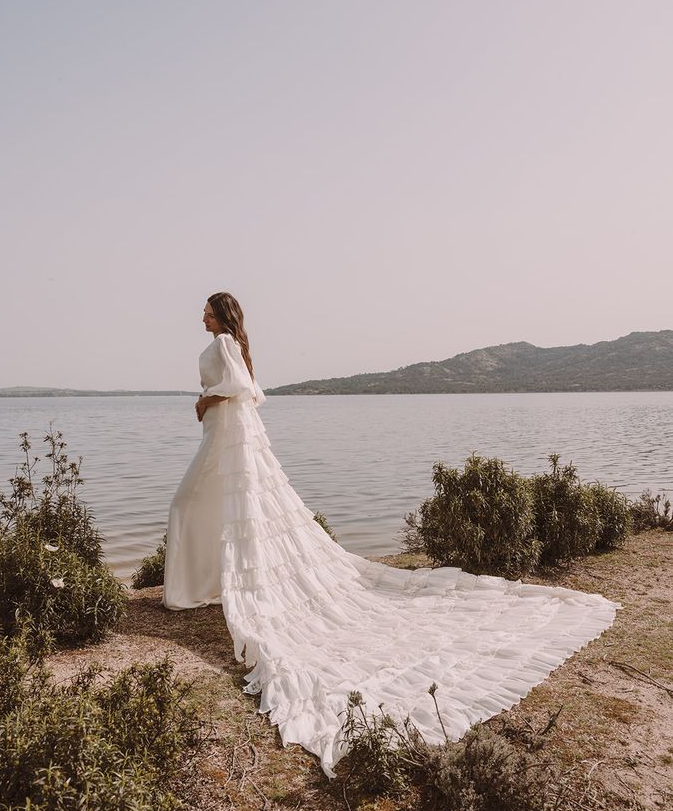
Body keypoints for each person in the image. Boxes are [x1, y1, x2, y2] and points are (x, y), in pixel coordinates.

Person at [163, 292, 620, 778]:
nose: (202, 316)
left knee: (190, 506)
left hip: (228, 438)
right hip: (224, 437)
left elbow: (242, 386)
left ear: (222, 314)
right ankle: (205, 584)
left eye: (207, 310)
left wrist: (207, 397)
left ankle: (194, 588)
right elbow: (254, 390)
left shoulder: (227, 342)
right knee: (213, 510)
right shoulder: (229, 342)